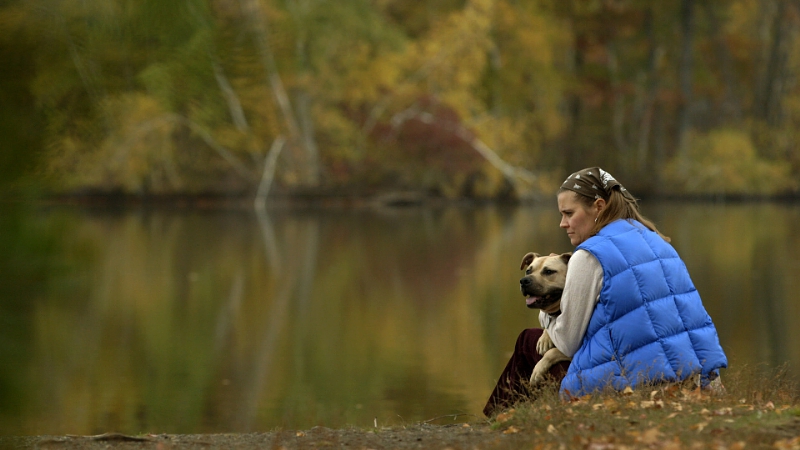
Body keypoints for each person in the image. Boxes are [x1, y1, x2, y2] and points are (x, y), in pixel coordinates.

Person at [484, 167, 727, 417]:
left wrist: (545, 312)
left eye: (569, 213)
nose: (562, 223)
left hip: (638, 391)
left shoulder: (589, 255)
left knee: (528, 341)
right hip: (698, 383)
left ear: (598, 206)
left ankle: (497, 422)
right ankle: (512, 420)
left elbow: (567, 342)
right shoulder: (657, 240)